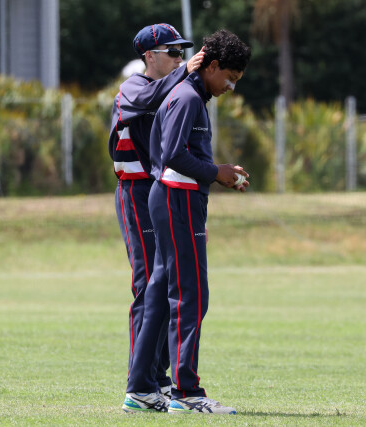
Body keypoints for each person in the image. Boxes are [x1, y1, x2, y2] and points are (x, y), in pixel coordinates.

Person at [123, 29, 251, 414]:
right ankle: (186, 393)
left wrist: (215, 174)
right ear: (212, 66)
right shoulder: (187, 97)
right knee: (190, 296)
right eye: (230, 77)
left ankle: (141, 389)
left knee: (164, 294)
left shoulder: (191, 95)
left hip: (177, 200)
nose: (230, 86)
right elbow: (173, 155)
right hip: (176, 198)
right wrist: (217, 172)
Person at [109, 23, 205, 409]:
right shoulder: (133, 87)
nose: (181, 59)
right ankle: (141, 384)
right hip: (135, 192)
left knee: (166, 284)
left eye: (184, 52)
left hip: (158, 193)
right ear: (149, 56)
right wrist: (187, 73)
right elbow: (148, 97)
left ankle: (158, 378)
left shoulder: (172, 89)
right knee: (147, 285)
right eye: (174, 52)